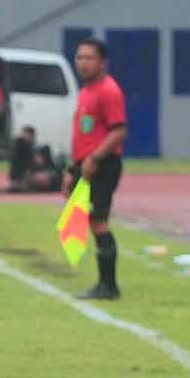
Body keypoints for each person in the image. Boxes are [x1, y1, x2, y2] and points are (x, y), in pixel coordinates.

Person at [63, 37, 127, 300]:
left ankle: (108, 285)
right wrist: (71, 167)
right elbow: (83, 133)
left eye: (89, 58)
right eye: (79, 57)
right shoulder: (86, 91)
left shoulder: (108, 90)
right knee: (86, 219)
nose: (83, 63)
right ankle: (103, 282)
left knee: (99, 220)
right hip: (85, 164)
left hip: (102, 165)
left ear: (102, 62)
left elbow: (119, 130)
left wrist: (95, 159)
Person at [7, 126, 63, 192]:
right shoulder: (19, 151)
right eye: (24, 136)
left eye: (27, 136)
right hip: (29, 177)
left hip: (44, 175)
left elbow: (51, 166)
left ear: (32, 136)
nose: (26, 139)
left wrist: (46, 173)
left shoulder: (43, 149)